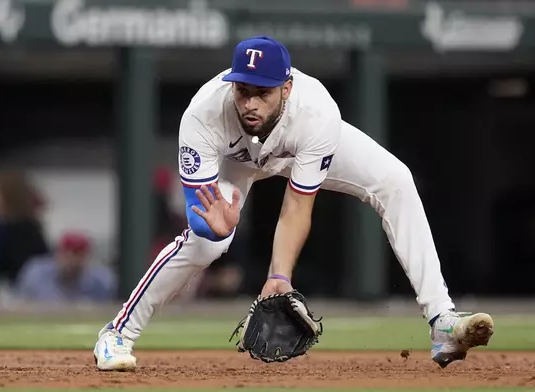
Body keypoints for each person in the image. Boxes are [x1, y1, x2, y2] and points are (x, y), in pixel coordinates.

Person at [93, 36, 494, 371]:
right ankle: (116, 335)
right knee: (206, 244)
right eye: (242, 89)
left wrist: (278, 277)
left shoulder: (316, 113)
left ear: (286, 87)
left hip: (294, 148)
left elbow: (296, 207)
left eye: (262, 93)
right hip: (234, 160)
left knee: (395, 181)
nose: (250, 102)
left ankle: (442, 320)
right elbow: (201, 208)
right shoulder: (202, 114)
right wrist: (212, 228)